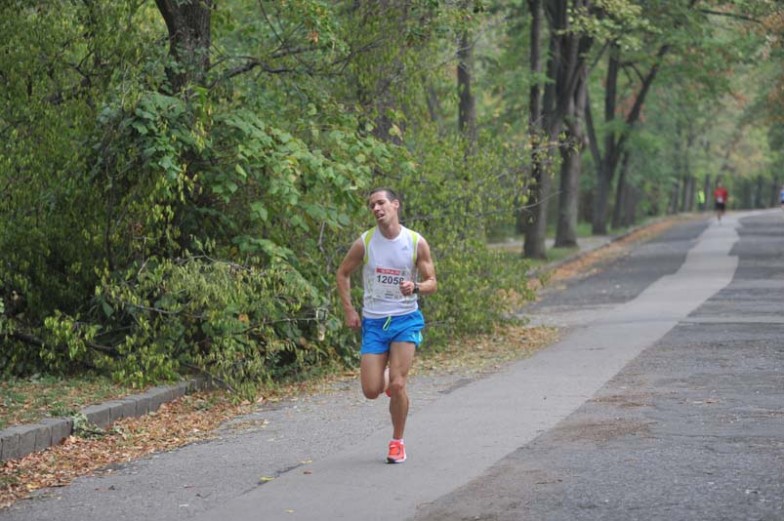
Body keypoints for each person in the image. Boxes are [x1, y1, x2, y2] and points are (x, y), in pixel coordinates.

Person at [336, 188, 437, 464]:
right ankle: (390, 372)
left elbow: (432, 282)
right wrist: (349, 309)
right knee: (371, 391)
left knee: (398, 385)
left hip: (405, 319)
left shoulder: (415, 241)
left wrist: (415, 286)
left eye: (380, 203)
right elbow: (343, 273)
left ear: (395, 205)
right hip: (374, 321)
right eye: (372, 206)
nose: (376, 209)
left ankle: (397, 442)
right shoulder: (365, 242)